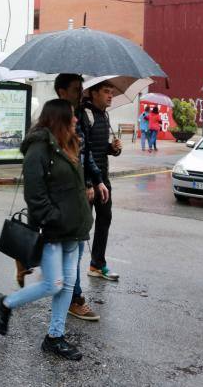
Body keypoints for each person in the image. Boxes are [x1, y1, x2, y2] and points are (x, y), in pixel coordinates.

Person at [0, 99, 94, 361]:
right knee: (53, 284)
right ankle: (6, 303)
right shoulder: (39, 149)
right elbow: (35, 196)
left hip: (74, 229)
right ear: (57, 118)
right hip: (55, 229)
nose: (75, 120)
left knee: (68, 284)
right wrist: (55, 218)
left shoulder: (69, 144)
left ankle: (55, 337)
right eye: (71, 117)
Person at [47, 74, 108, 322]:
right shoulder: (54, 118)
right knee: (73, 248)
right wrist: (82, 184)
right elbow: (58, 161)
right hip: (65, 194)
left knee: (74, 248)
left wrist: (97, 180)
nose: (80, 93)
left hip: (80, 190)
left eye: (82, 88)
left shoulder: (79, 114)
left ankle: (67, 293)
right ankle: (72, 298)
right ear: (62, 91)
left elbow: (85, 153)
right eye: (75, 89)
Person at [80, 81, 122, 281]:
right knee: (83, 225)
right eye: (106, 92)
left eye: (112, 92)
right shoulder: (84, 114)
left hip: (103, 178)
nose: (110, 96)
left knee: (105, 219)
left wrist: (113, 148)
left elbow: (98, 148)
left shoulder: (104, 115)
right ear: (93, 93)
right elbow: (84, 150)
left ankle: (97, 264)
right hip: (88, 179)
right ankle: (57, 266)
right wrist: (88, 182)